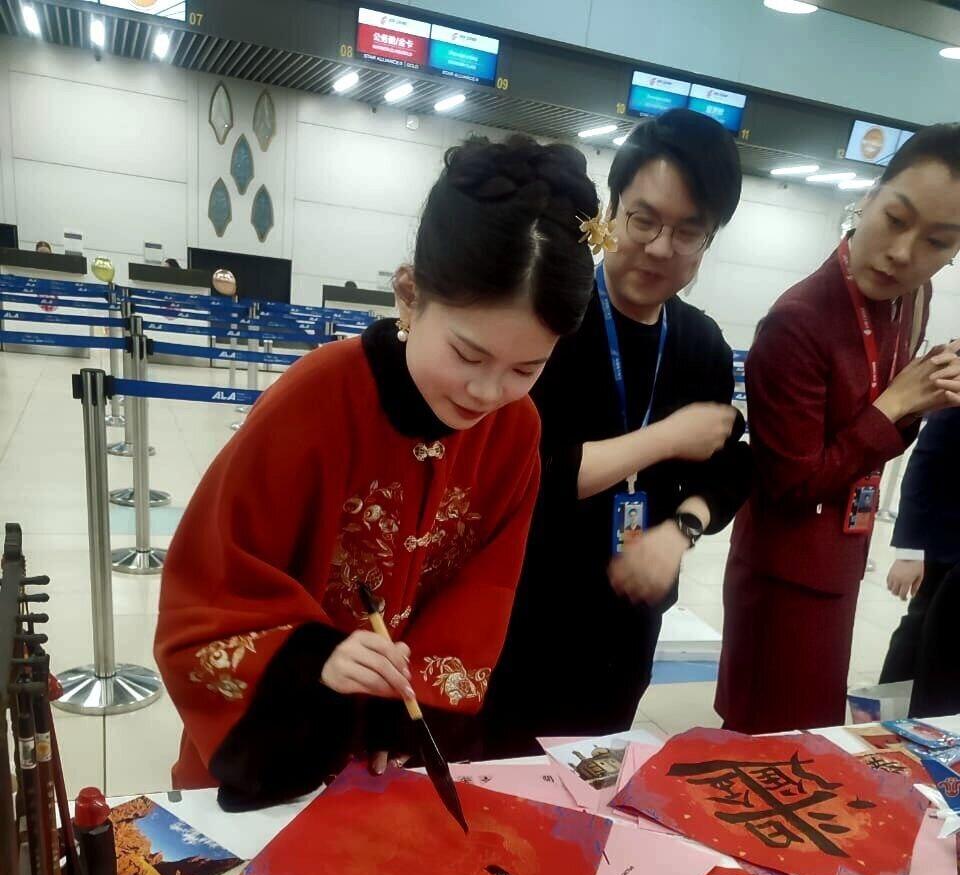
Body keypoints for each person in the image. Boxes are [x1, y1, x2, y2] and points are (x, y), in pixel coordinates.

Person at [154, 134, 600, 810]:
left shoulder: (518, 432)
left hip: (390, 753)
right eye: (468, 353)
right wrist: (313, 661)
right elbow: (212, 586)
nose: (486, 393)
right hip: (279, 744)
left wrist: (406, 699)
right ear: (410, 294)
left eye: (525, 369)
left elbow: (484, 590)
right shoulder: (316, 398)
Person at [481, 110, 751, 754]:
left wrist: (681, 529)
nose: (660, 247)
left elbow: (730, 463)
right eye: (644, 218)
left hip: (627, 628)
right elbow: (527, 472)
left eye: (689, 231)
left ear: (709, 241)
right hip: (523, 618)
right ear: (611, 211)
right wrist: (663, 438)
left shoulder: (700, 343)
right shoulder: (549, 320)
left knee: (589, 794)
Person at [717, 124, 960, 735]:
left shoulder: (913, 297)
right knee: (770, 740)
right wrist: (898, 404)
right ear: (871, 195)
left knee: (812, 732)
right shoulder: (798, 321)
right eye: (897, 219)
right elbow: (791, 482)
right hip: (784, 569)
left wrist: (926, 394)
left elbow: (885, 424)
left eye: (938, 240)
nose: (904, 253)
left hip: (843, 553)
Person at [879, 408, 960, 716]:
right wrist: (911, 550)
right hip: (945, 549)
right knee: (921, 634)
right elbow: (925, 466)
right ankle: (884, 719)